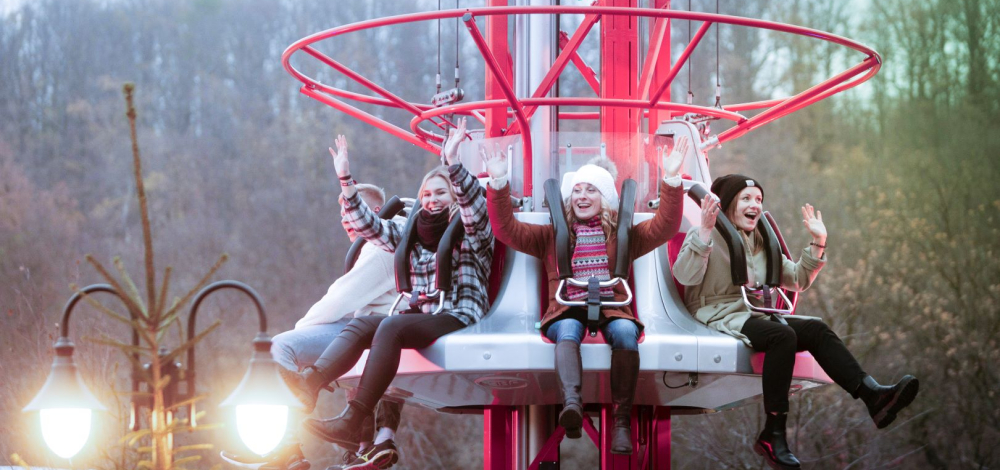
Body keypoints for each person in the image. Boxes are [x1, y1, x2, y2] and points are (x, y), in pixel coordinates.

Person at [284, 117, 494, 467]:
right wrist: (346, 180)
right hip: (426, 315)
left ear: (453, 197)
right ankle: (312, 382)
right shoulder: (412, 233)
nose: (432, 200)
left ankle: (354, 418)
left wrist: (454, 165)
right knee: (366, 323)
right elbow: (371, 227)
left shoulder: (471, 233)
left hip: (459, 313)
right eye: (427, 194)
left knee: (390, 325)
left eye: (441, 193)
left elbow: (473, 206)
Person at [672, 174, 920, 469]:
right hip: (717, 313)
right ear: (728, 206)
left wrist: (818, 242)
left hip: (754, 314)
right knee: (782, 336)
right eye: (747, 199)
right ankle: (773, 433)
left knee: (815, 328)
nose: (755, 205)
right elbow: (684, 276)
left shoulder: (762, 241)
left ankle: (873, 396)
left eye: (759, 200)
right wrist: (703, 232)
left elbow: (798, 279)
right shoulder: (707, 234)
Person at [485, 137, 689, 454]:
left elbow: (664, 227)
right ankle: (572, 404)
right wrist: (498, 184)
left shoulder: (623, 235)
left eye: (591, 190)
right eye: (577, 190)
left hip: (613, 308)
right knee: (567, 330)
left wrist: (672, 180)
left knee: (625, 333)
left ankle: (621, 421)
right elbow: (506, 229)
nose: (583, 195)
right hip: (566, 308)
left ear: (604, 198)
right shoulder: (551, 235)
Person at [221, 185, 407, 470]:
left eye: (352, 210)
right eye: (342, 213)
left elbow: (339, 300)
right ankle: (367, 445)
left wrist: (307, 337)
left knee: (281, 347)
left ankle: (285, 443)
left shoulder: (380, 249)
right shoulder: (394, 241)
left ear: (374, 213)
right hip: (381, 325)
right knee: (360, 344)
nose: (345, 218)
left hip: (375, 328)